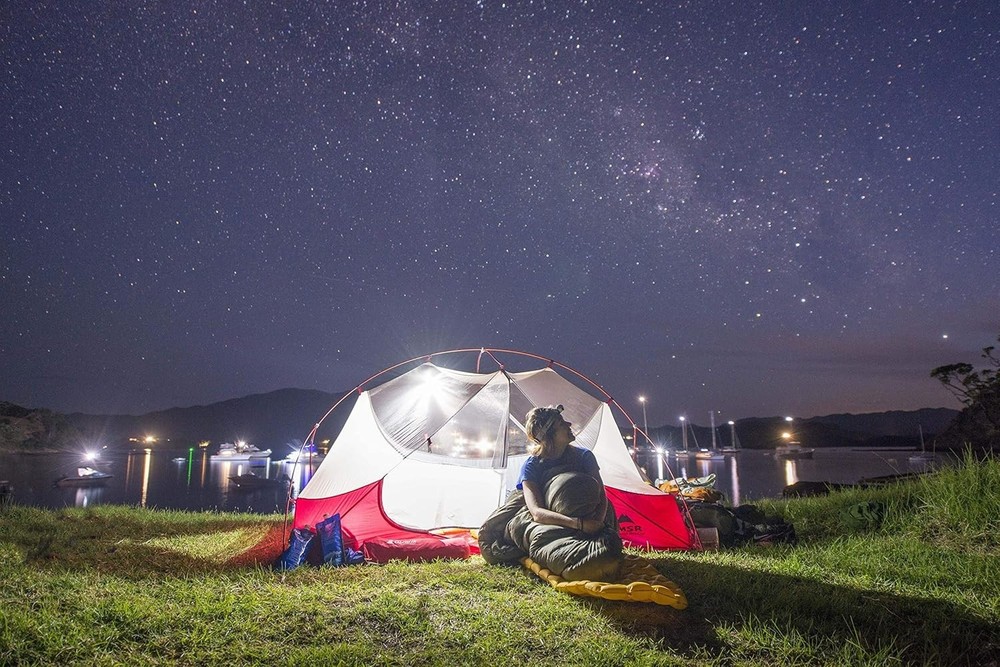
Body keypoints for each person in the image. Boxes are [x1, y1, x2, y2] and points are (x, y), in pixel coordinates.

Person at [517, 404, 610, 535]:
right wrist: (578, 524)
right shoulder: (531, 466)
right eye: (561, 424)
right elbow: (537, 512)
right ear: (549, 435)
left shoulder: (585, 456)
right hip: (556, 522)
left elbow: (602, 497)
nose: (569, 424)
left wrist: (597, 524)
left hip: (590, 516)